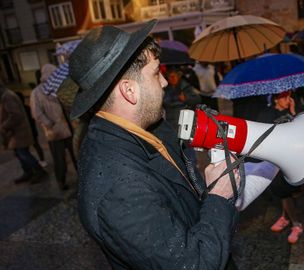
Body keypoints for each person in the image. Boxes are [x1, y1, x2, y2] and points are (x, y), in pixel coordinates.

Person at [68, 21, 242, 269]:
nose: (164, 82)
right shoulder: (118, 192)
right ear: (129, 90)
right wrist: (219, 195)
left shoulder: (148, 125)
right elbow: (194, 264)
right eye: (156, 72)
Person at [258, 90, 303, 244]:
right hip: (275, 160)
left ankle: (294, 223)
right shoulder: (267, 114)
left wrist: (293, 112)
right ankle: (291, 221)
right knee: (284, 192)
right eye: (285, 97)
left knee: (287, 192)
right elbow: (264, 136)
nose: (288, 99)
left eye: (290, 96)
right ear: (276, 99)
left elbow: (299, 132)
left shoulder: (291, 112)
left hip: (291, 157)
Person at [30, 63, 76, 191]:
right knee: (59, 159)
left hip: (69, 128)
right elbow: (36, 113)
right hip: (55, 133)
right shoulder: (37, 92)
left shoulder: (60, 86)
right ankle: (61, 181)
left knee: (77, 155)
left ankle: (82, 177)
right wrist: (50, 124)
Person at [0, 81, 47, 184]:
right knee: (19, 153)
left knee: (23, 153)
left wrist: (4, 125)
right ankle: (28, 172)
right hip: (16, 133)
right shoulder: (5, 96)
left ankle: (39, 170)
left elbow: (16, 115)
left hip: (19, 132)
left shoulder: (8, 96)